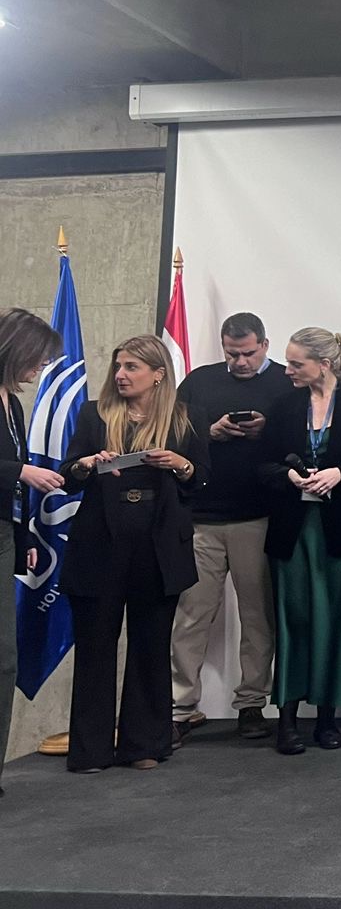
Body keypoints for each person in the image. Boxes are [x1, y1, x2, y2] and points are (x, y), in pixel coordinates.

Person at [60, 335, 208, 772]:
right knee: (94, 646)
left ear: (158, 374)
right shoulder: (94, 414)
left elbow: (202, 479)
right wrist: (86, 464)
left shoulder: (187, 418)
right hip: (99, 543)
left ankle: (143, 744)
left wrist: (180, 464)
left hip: (158, 546)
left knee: (150, 645)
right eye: (118, 366)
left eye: (132, 367)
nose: (121, 375)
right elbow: (68, 476)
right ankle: (90, 751)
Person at [171, 313, 293, 741]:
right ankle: (180, 707)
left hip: (259, 516)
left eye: (248, 353)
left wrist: (267, 431)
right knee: (191, 616)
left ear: (265, 345)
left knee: (257, 616)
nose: (240, 361)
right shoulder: (199, 382)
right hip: (202, 517)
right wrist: (210, 432)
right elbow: (172, 436)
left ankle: (252, 703)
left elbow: (304, 441)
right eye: (231, 353)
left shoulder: (286, 382)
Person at [258, 328, 341, 756]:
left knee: (340, 621)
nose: (286, 370)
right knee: (292, 620)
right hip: (292, 529)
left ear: (324, 364)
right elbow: (261, 464)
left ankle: (327, 718)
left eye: (295, 363)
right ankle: (286, 719)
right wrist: (287, 475)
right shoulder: (283, 405)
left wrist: (340, 474)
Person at [0, 308, 63, 786]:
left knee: (6, 657)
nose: (40, 369)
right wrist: (20, 470)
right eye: (38, 359)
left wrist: (25, 540)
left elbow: (16, 493)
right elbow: (16, 474)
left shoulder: (14, 406)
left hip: (5, 536)